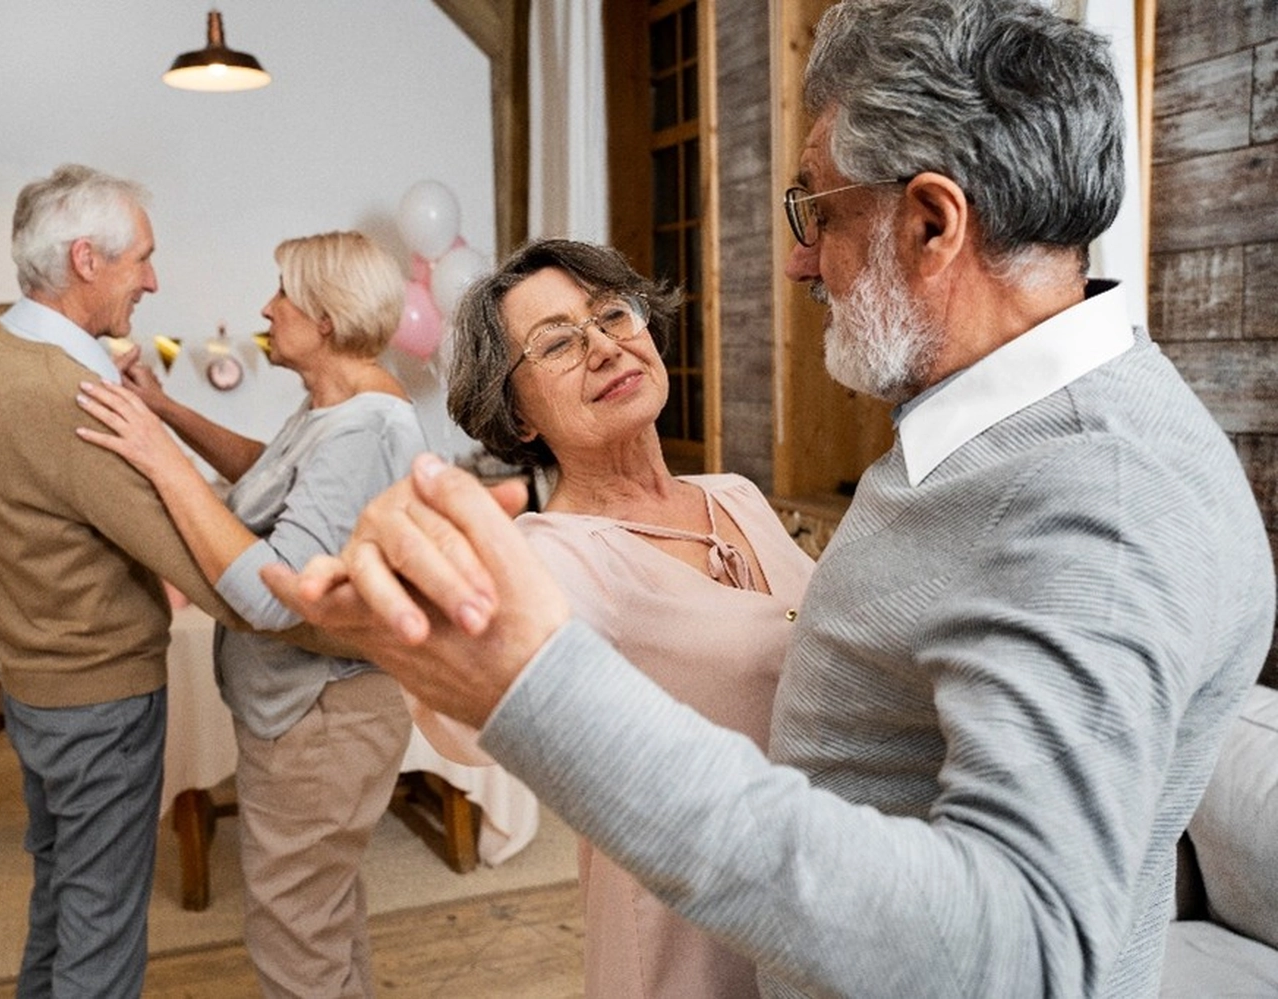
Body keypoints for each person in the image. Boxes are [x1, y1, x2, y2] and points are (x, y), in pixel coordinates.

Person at [260, 2, 1278, 996]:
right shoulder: (1007, 447)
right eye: (558, 342)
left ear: (932, 222)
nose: (797, 259)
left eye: (815, 212)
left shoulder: (1086, 504)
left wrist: (538, 687)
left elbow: (1032, 955)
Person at [431, 237, 813, 998]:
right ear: (517, 412)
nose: (604, 346)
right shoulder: (553, 554)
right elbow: (473, 715)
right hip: (689, 934)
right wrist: (447, 614)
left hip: (817, 889)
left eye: (612, 313)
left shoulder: (735, 494)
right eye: (558, 343)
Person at [73, 230, 427, 998]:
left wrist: (163, 463)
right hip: (311, 714)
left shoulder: (367, 426)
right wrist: (164, 410)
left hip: (322, 717)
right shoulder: (339, 409)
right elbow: (274, 472)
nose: (265, 309)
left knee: (294, 935)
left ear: (326, 317)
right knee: (321, 919)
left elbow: (273, 595)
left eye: (282, 294)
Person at [0, 163, 246, 998]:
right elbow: (203, 561)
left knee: (62, 899)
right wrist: (327, 609)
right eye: (141, 257)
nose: (152, 278)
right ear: (84, 259)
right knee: (102, 934)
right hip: (100, 700)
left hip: (31, 686)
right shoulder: (69, 393)